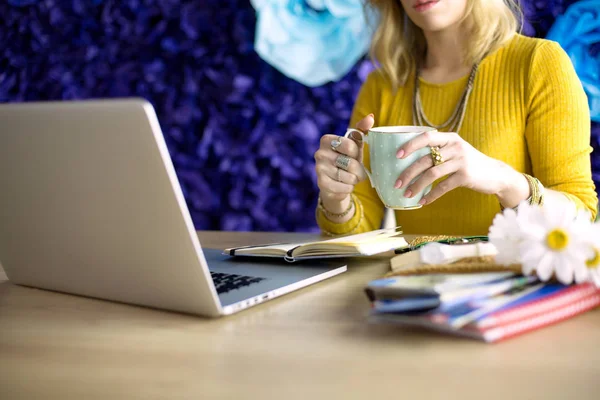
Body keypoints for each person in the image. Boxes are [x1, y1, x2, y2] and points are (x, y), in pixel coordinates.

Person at [314, 0, 598, 236]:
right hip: (415, 288)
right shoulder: (383, 84)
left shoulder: (538, 63)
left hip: (511, 292)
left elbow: (582, 217)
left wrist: (504, 181)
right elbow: (359, 233)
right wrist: (337, 200)